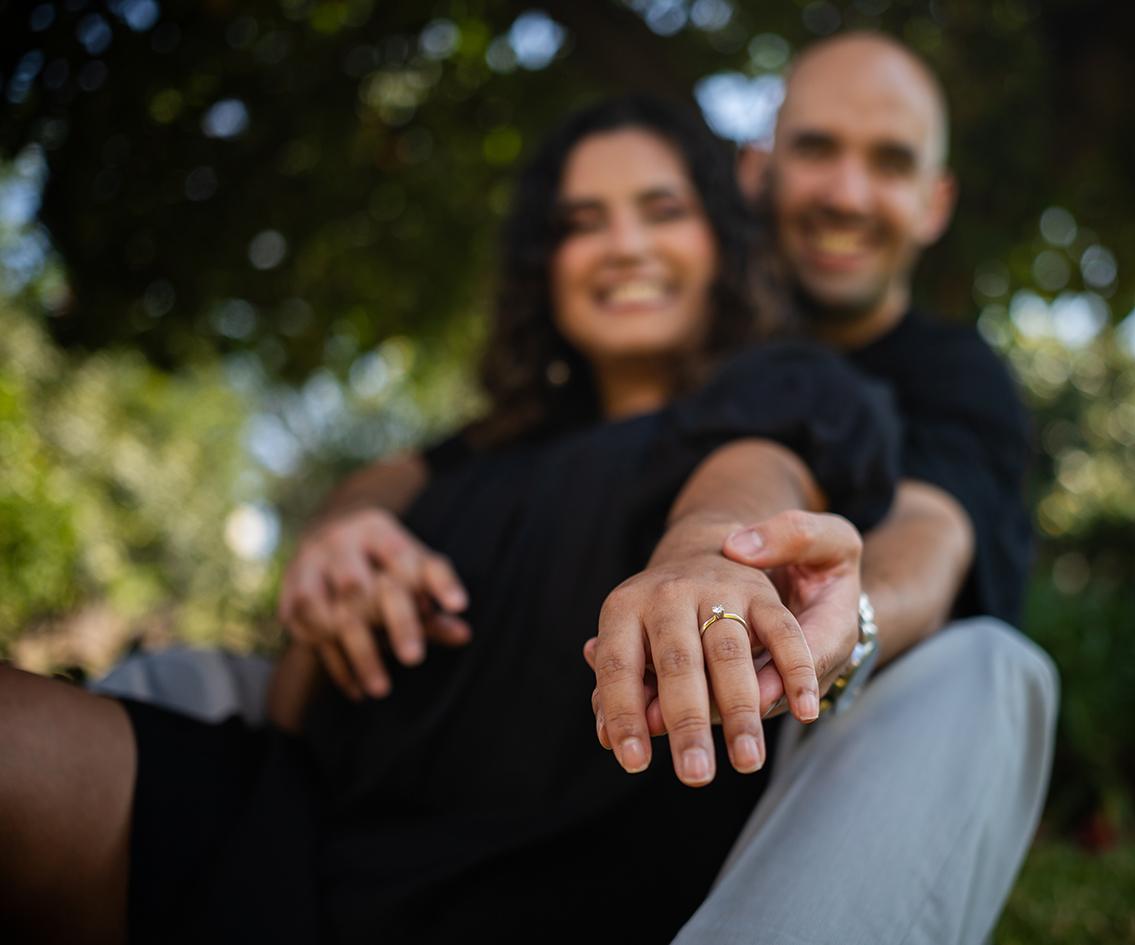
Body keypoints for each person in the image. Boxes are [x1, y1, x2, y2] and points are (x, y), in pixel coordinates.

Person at [0, 96, 901, 944]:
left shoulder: (786, 389)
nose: (623, 246)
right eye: (582, 223)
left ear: (722, 242)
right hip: (284, 826)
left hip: (544, 895)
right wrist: (339, 544)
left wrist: (705, 550)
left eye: (661, 211)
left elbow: (753, 469)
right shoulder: (484, 447)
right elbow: (304, 671)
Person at [275, 32, 1057, 945]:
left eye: (888, 162)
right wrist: (347, 526)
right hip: (528, 775)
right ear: (754, 174)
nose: (847, 194)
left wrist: (832, 622)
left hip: (796, 728)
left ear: (935, 201)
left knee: (986, 667)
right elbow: (438, 461)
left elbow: (928, 526)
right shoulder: (625, 371)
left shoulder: (941, 372)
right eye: (816, 149)